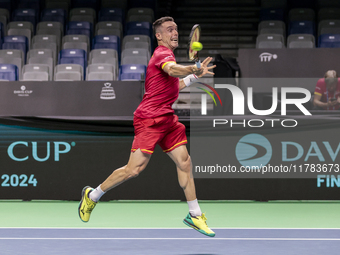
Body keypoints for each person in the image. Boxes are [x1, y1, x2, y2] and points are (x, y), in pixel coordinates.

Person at [78, 16, 216, 237]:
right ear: (159, 35)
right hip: (149, 120)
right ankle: (92, 196)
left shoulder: (168, 57)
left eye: (176, 29)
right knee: (134, 170)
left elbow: (172, 86)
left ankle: (195, 214)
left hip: (167, 119)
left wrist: (193, 77)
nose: (175, 33)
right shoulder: (162, 54)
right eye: (170, 30)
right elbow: (172, 70)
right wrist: (193, 67)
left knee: (185, 162)